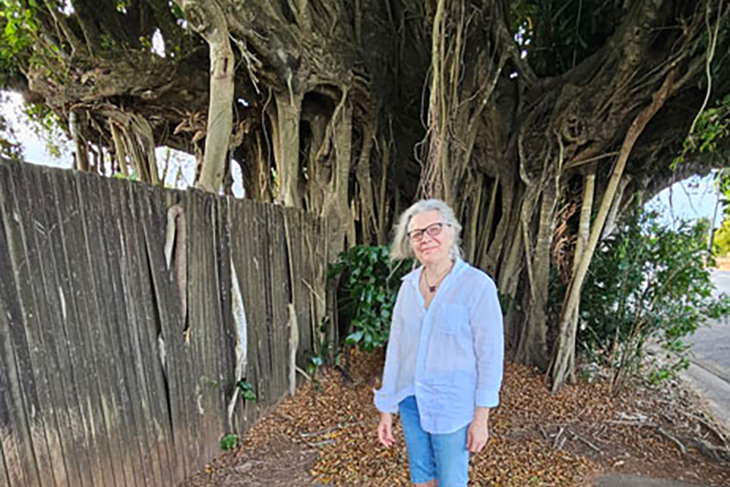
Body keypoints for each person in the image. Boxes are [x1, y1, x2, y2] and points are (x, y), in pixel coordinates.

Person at [374, 199, 504, 487]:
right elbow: (396, 350)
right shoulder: (407, 287)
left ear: (452, 231)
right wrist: (386, 408)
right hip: (411, 400)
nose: (425, 239)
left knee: (452, 481)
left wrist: (481, 418)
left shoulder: (477, 286)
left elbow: (490, 356)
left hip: (453, 405)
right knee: (422, 479)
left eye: (433, 229)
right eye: (417, 234)